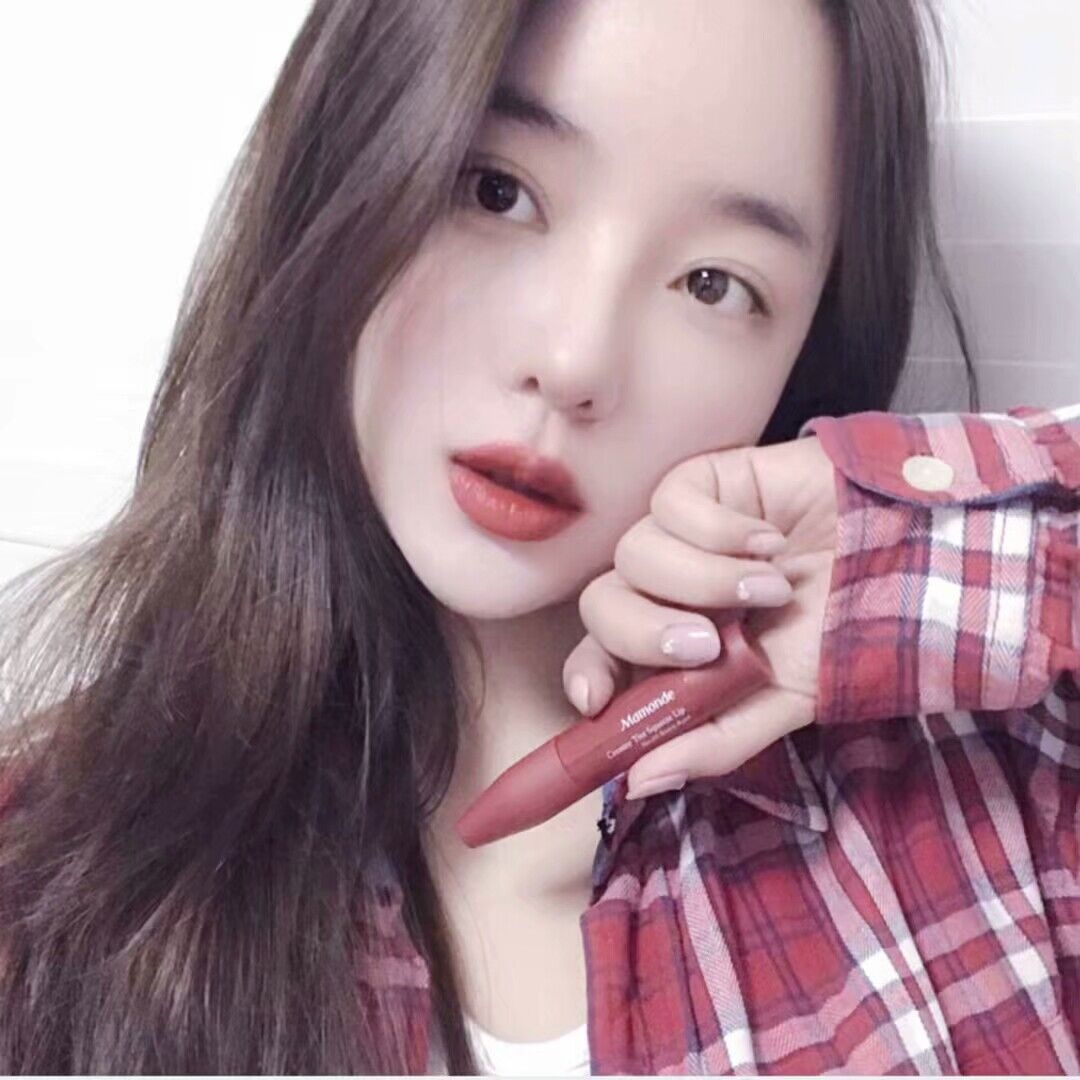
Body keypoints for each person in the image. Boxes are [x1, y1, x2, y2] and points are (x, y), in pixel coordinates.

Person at [0, 0, 1074, 1074]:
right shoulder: (42, 877)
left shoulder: (997, 783)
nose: (573, 362)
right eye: (495, 190)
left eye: (714, 284)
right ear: (345, 162)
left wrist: (905, 557)